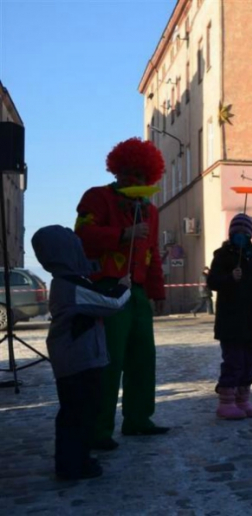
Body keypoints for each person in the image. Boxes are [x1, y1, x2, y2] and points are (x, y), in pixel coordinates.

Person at [75, 137, 168, 450]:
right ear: (116, 170)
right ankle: (99, 429)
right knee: (108, 359)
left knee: (144, 357)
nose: (134, 180)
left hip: (138, 292)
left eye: (140, 175)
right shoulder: (97, 198)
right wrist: (123, 233)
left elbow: (152, 253)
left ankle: (139, 419)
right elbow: (82, 236)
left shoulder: (150, 211)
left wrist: (157, 292)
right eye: (128, 172)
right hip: (107, 289)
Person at [32, 226, 132, 480]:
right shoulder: (70, 285)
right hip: (78, 360)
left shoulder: (70, 281)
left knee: (80, 412)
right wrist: (124, 287)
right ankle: (73, 464)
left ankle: (77, 458)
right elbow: (111, 304)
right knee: (78, 413)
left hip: (79, 358)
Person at [207, 214, 252, 419]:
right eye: (236, 232)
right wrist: (230, 278)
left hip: (250, 316)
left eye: (243, 232)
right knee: (233, 359)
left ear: (249, 234)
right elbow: (212, 282)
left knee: (249, 359)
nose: (240, 235)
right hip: (229, 317)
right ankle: (226, 401)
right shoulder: (222, 255)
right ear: (231, 234)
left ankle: (243, 398)